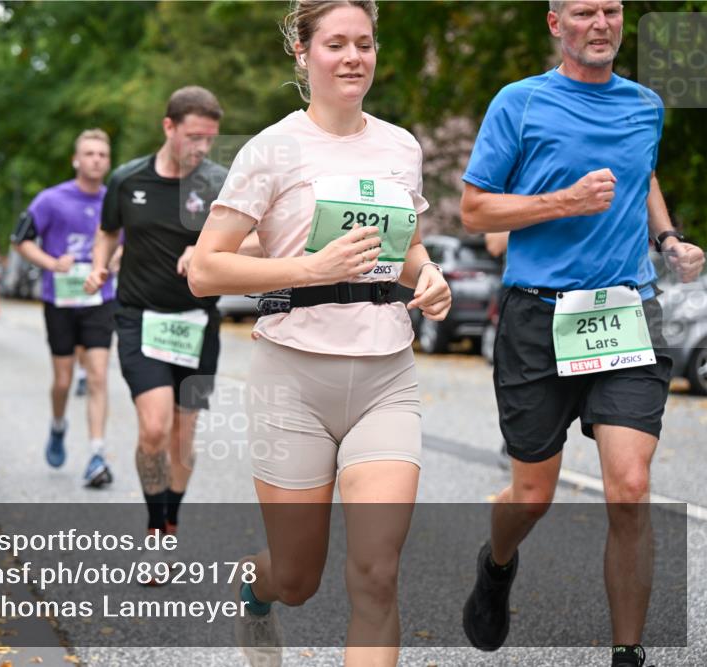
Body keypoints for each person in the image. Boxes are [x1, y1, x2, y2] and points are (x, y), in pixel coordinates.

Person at [188, 2, 452, 664]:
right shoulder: (271, 149)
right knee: (296, 579)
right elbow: (206, 269)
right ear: (303, 53)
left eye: (364, 43)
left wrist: (429, 275)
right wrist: (307, 269)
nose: (353, 57)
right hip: (293, 379)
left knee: (377, 574)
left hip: (386, 376)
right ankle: (256, 588)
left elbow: (408, 245)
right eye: (336, 44)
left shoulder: (401, 147)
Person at [459, 3, 705, 666]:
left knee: (629, 486)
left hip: (626, 311)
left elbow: (642, 173)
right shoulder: (519, 103)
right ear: (555, 23)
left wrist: (668, 238)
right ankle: (497, 563)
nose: (601, 23)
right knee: (532, 496)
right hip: (538, 317)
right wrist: (563, 201)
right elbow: (475, 208)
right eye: (585, 11)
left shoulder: (645, 105)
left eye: (612, 10)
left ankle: (628, 653)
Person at [84, 86, 232, 577]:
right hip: (139, 319)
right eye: (194, 137)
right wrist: (100, 265)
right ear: (168, 127)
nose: (202, 148)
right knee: (154, 427)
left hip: (198, 323)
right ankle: (154, 528)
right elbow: (109, 230)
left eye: (209, 140)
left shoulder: (218, 183)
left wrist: (204, 251)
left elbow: (255, 237)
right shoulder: (128, 180)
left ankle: (171, 523)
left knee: (183, 434)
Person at [13, 128, 117, 488]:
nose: (96, 160)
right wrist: (51, 263)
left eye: (102, 155)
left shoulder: (114, 200)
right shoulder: (50, 200)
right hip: (60, 300)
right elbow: (20, 240)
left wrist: (116, 258)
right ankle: (58, 425)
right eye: (89, 153)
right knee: (63, 379)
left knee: (98, 375)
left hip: (99, 299)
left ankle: (97, 454)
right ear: (76, 159)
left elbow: (128, 242)